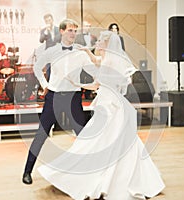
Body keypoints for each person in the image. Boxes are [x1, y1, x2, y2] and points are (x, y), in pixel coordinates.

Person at [37, 31, 165, 199]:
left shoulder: (114, 61)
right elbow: (97, 82)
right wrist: (79, 83)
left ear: (107, 44)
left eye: (100, 42)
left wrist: (92, 68)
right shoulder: (105, 59)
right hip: (104, 102)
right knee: (97, 139)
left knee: (110, 139)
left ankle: (110, 177)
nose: (97, 44)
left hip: (112, 105)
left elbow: (116, 80)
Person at [22, 19, 98, 185]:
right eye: (70, 30)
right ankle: (27, 171)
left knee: (82, 135)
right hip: (54, 97)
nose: (73, 33)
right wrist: (45, 85)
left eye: (75, 31)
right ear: (62, 31)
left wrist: (99, 73)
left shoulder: (80, 52)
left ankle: (91, 172)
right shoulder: (52, 51)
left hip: (73, 97)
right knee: (41, 134)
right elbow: (37, 67)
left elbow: (93, 71)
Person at [75, 20, 98, 100]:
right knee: (81, 75)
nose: (87, 28)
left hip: (90, 59)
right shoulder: (77, 37)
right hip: (81, 60)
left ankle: (89, 94)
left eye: (88, 26)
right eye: (85, 26)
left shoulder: (94, 37)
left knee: (89, 76)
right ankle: (79, 93)